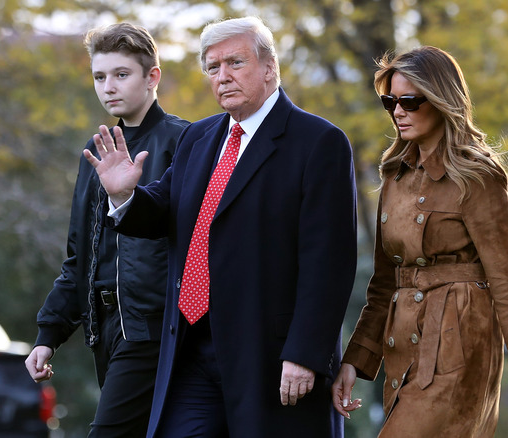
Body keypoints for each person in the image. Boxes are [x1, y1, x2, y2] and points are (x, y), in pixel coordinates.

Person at [83, 16, 357, 438]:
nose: (223, 76)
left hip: (270, 354)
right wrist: (124, 196)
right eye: (213, 67)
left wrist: (305, 353)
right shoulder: (199, 137)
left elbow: (329, 262)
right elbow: (161, 211)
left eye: (235, 62)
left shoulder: (318, 142)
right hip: (192, 349)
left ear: (269, 67)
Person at [331, 46, 508, 437]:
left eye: (410, 101)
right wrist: (354, 360)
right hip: (403, 346)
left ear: (440, 100)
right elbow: (385, 283)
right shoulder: (394, 177)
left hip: (459, 343)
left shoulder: (477, 175)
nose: (397, 111)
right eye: (390, 102)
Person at [24, 22, 189, 437]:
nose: (108, 86)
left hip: (155, 328)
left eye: (121, 74)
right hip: (106, 329)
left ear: (152, 77)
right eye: (100, 76)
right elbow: (80, 256)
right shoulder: (93, 153)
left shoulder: (185, 141)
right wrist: (49, 334)